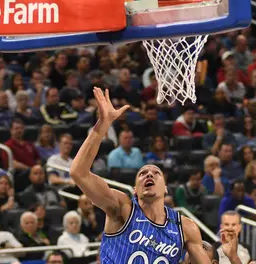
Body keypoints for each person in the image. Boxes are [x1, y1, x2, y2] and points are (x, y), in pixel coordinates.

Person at [70, 87, 243, 264]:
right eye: (142, 173)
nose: (149, 174)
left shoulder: (184, 227)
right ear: (135, 189)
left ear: (166, 188)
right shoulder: (122, 207)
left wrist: (233, 258)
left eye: (156, 173)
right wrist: (103, 125)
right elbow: (79, 173)